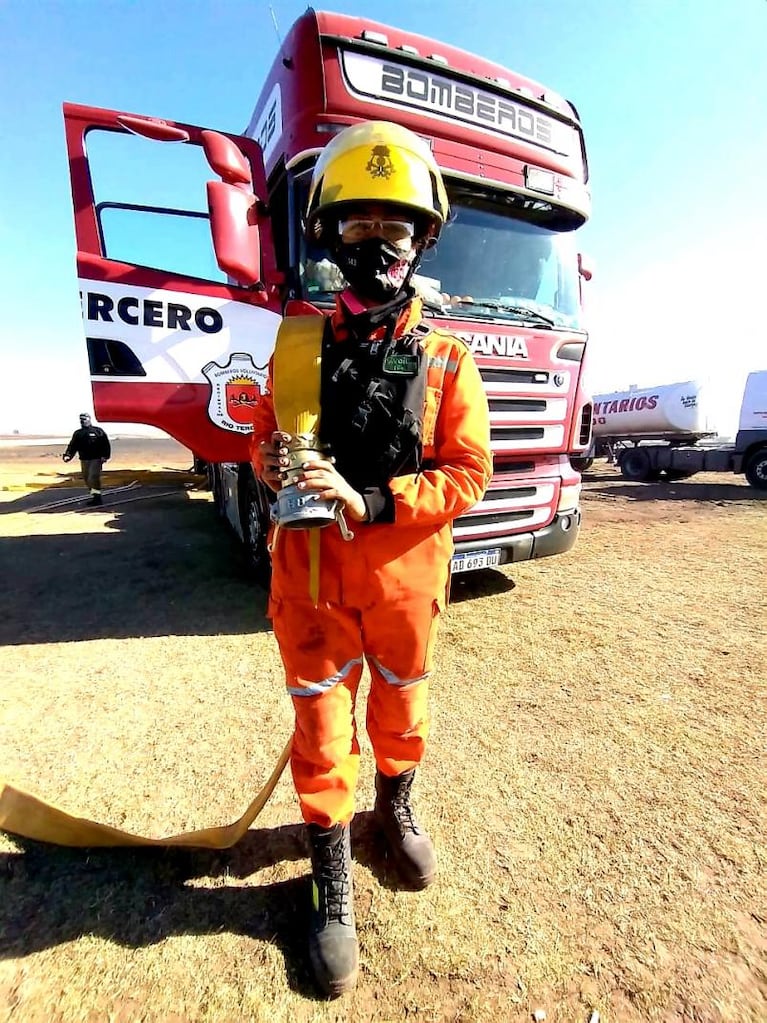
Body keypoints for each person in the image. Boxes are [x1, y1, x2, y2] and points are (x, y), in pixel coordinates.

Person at [249, 121, 492, 997]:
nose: (376, 241)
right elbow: (264, 441)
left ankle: (392, 808)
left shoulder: (448, 358)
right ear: (327, 234)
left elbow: (469, 472)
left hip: (403, 584)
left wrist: (378, 500)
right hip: (309, 587)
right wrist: (267, 459)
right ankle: (328, 874)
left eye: (396, 225)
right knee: (320, 730)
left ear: (424, 238)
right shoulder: (296, 346)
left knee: (399, 711)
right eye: (356, 223)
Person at [62, 413, 111, 505]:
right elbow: (73, 446)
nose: (83, 420)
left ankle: (98, 498)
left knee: (93, 477)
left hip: (95, 459)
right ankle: (94, 496)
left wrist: (105, 456)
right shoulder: (78, 433)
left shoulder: (98, 431)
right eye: (81, 419)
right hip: (84, 459)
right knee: (87, 479)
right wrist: (68, 455)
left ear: (89, 419)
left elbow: (105, 444)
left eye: (85, 419)